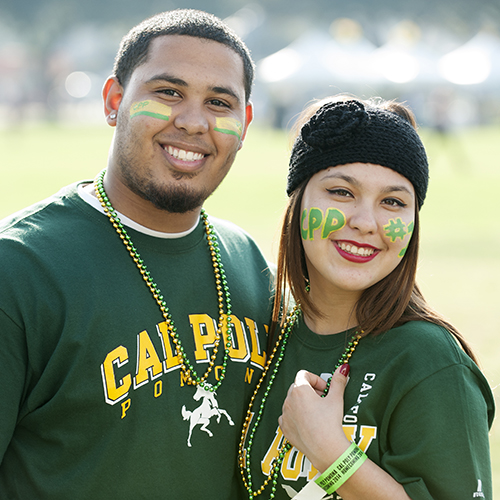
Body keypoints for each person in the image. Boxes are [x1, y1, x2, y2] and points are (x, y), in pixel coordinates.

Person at [0, 9, 274, 499]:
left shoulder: (250, 265)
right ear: (114, 100)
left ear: (244, 123)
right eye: (168, 92)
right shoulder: (20, 267)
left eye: (219, 102)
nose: (193, 122)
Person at [238, 96, 495, 500]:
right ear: (299, 201)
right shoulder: (264, 331)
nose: (364, 222)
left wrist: (332, 454)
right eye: (341, 192)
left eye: (393, 202)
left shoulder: (429, 361)